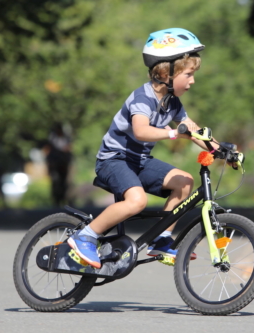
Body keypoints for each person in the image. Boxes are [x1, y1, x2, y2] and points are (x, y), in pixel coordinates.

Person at [68, 28, 226, 268]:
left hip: (139, 161)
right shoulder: (142, 98)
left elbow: (193, 129)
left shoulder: (172, 103)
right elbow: (141, 130)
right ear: (165, 73)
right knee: (137, 201)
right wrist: (174, 133)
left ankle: (161, 239)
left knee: (184, 181)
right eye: (189, 74)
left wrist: (222, 151)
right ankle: (86, 236)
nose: (193, 80)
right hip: (114, 160)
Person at [45, 123, 73, 206]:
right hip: (55, 165)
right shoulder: (52, 139)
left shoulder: (66, 139)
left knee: (64, 183)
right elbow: (48, 152)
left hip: (63, 164)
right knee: (55, 182)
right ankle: (56, 200)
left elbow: (68, 149)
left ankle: (64, 199)